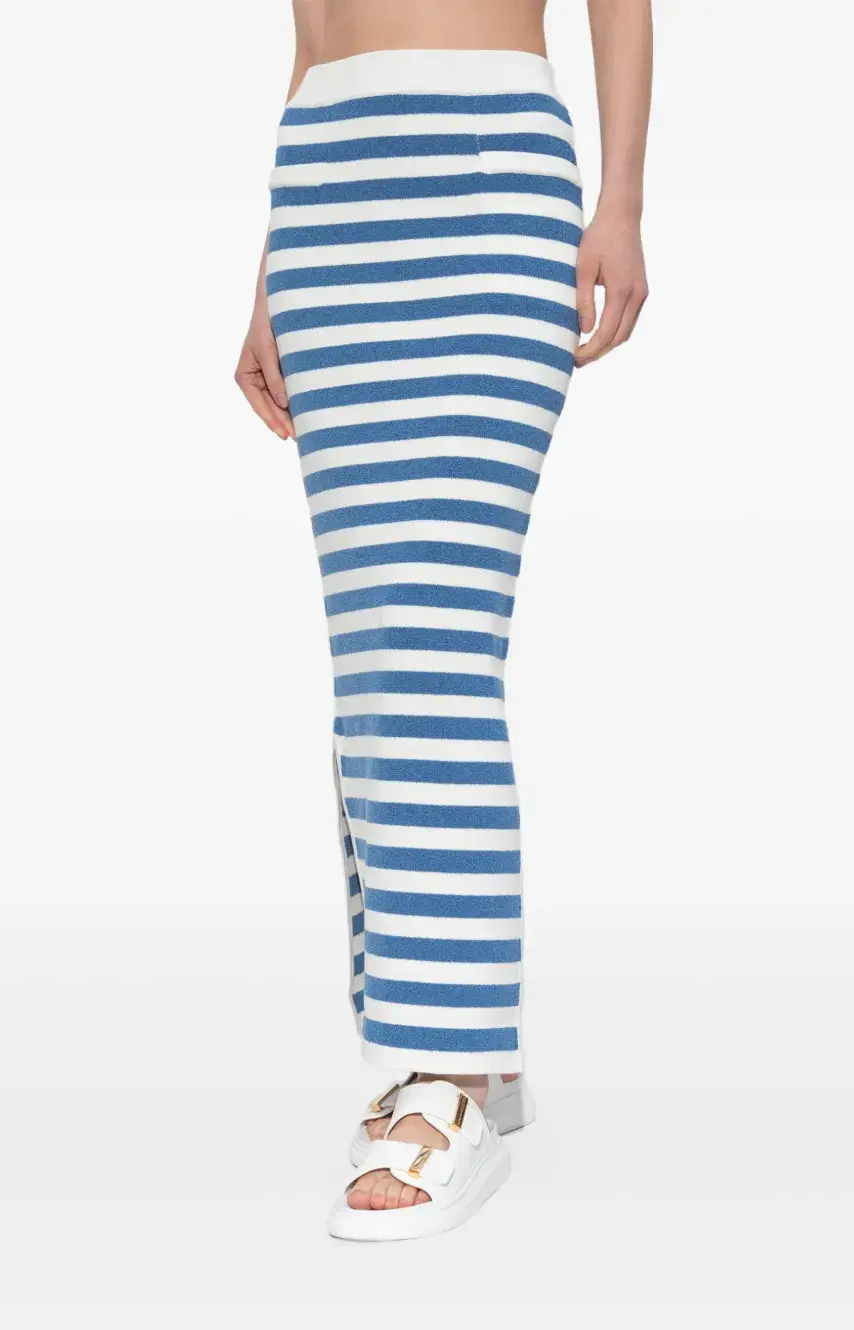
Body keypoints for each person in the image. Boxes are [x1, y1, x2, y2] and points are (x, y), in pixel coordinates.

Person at [235, 0, 651, 1240]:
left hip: (482, 171)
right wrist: (269, 265)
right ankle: (469, 1042)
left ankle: (445, 1076)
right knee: (376, 654)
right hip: (322, 188)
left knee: (430, 650)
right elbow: (310, 36)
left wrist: (620, 203)